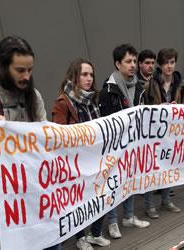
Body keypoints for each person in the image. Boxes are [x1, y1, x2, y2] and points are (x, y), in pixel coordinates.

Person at [0, 36, 60, 250]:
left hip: (34, 189)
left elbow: (45, 138)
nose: (26, 76)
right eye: (20, 70)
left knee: (52, 242)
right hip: (5, 198)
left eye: (30, 70)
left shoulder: (34, 96)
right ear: (3, 66)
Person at [52, 58, 110, 250]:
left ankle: (95, 233)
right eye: (84, 74)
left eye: (91, 75)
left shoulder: (93, 99)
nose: (89, 78)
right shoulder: (62, 103)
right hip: (75, 163)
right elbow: (59, 135)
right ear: (74, 76)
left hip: (95, 159)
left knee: (101, 196)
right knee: (77, 201)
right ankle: (80, 237)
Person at [98, 44, 150, 239]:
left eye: (134, 61)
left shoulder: (139, 87)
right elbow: (106, 123)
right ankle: (112, 221)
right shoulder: (108, 90)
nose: (133, 65)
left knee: (130, 179)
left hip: (134, 144)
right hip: (115, 147)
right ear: (117, 63)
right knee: (113, 183)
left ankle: (128, 216)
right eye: (128, 61)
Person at [144, 48, 184, 217]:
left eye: (172, 62)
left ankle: (166, 200)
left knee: (169, 167)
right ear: (160, 65)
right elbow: (145, 109)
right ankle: (149, 205)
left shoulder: (182, 83)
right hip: (155, 134)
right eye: (165, 63)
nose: (169, 66)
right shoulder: (150, 84)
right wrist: (160, 108)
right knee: (152, 168)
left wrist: (178, 108)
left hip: (172, 133)